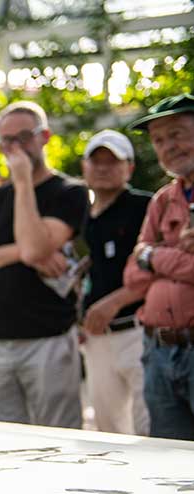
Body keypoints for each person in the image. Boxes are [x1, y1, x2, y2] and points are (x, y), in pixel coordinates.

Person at [0, 101, 88, 429]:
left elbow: (34, 247)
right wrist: (24, 252)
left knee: (59, 443)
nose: (13, 148)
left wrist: (24, 183)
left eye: (23, 137)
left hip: (48, 341)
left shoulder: (70, 192)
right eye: (6, 141)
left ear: (45, 137)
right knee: (4, 443)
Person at [124, 93, 194, 441]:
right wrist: (160, 256)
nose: (168, 146)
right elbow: (133, 275)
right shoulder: (162, 200)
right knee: (170, 464)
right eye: (159, 140)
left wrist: (153, 254)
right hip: (158, 352)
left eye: (178, 133)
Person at [79, 130, 151, 435]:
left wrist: (115, 302)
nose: (103, 168)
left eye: (113, 161)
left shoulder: (146, 206)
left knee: (150, 430)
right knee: (108, 431)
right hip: (96, 339)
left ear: (129, 168)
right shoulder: (82, 218)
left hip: (140, 331)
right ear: (84, 167)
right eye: (97, 161)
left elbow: (163, 267)